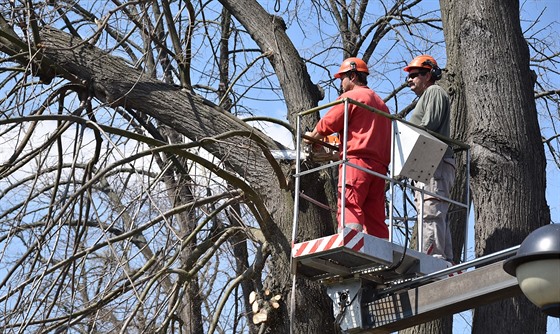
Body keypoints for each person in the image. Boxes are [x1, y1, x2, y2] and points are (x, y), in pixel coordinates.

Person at [305, 57, 391, 238]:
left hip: (356, 164)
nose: (340, 83)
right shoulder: (382, 105)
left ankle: (350, 242)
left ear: (352, 76)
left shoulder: (351, 97)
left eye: (342, 78)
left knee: (349, 204)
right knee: (375, 214)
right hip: (379, 169)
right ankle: (381, 249)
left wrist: (311, 139)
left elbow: (327, 123)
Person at [404, 55, 455, 261]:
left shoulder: (434, 91)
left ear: (428, 75)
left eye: (414, 75)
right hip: (428, 162)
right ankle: (444, 258)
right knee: (433, 210)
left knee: (430, 210)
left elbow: (429, 125)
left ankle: (432, 258)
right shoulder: (425, 97)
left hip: (435, 162)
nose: (409, 80)